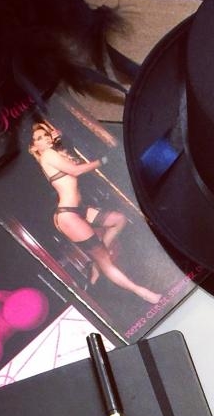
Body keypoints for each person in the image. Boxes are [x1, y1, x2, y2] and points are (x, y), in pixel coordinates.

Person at [28, 122, 161, 304]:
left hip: (79, 210)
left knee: (119, 220)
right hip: (68, 216)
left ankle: (96, 264)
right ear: (35, 146)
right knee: (106, 260)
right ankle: (142, 292)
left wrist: (61, 138)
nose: (45, 139)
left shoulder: (54, 154)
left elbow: (71, 161)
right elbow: (76, 170)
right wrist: (104, 160)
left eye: (46, 135)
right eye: (39, 138)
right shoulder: (47, 155)